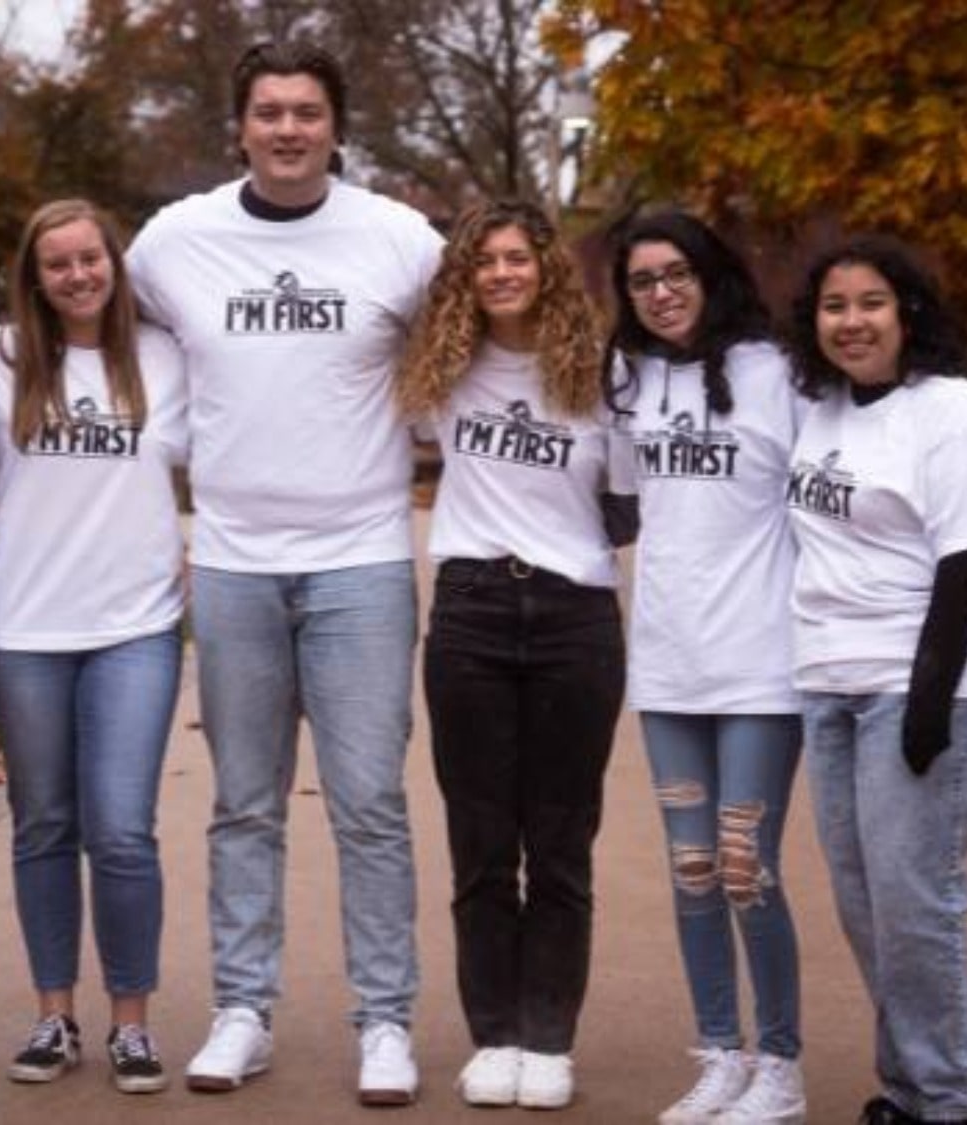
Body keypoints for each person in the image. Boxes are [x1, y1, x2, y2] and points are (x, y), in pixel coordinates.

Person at [125, 39, 444, 1105]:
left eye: (307, 112)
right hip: (231, 564)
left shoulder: (399, 240)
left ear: (335, 126)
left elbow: (475, 341)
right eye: (268, 112)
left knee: (367, 805)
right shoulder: (174, 242)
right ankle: (240, 1010)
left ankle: (385, 1021)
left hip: (359, 561)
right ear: (239, 126)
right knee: (243, 804)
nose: (288, 130)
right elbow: (90, 325)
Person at [785, 238, 967, 1125]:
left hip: (924, 687)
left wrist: (929, 704)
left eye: (871, 302)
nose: (852, 322)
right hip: (832, 681)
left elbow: (965, 562)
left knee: (915, 900)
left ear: (907, 311)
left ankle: (953, 1105)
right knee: (866, 903)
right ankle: (911, 1090)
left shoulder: (953, 411)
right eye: (834, 305)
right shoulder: (826, 411)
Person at [396, 199, 622, 1110]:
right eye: (483, 259)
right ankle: (494, 1033)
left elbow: (631, 497)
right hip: (473, 612)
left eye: (517, 257)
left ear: (546, 267)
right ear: (464, 274)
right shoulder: (442, 367)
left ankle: (549, 1037)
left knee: (561, 842)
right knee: (482, 841)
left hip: (575, 615)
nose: (500, 273)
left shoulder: (601, 374)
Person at [0, 199, 189, 1096]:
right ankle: (54, 1015)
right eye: (56, 264)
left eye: (89, 258)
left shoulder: (165, 358)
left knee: (124, 830)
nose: (76, 275)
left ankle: (131, 1024)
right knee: (45, 827)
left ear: (115, 262)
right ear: (35, 278)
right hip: (22, 628)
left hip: (134, 628)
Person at [604, 212, 807, 1125]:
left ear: (712, 274)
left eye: (676, 273)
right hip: (669, 662)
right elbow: (615, 502)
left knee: (744, 864)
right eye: (642, 281)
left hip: (762, 661)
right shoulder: (627, 379)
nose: (661, 293)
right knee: (691, 866)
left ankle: (783, 1067)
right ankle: (720, 1053)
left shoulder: (780, 374)